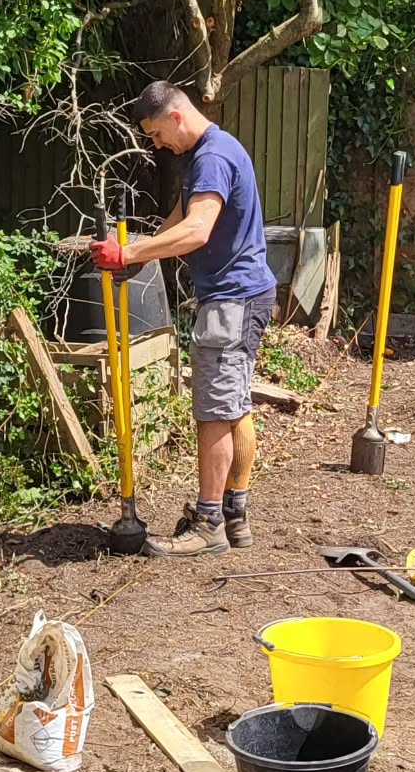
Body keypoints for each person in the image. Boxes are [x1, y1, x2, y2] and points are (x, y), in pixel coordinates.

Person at [90, 80, 276, 558]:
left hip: (232, 302)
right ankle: (234, 514)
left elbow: (196, 230)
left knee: (214, 413)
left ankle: (210, 524)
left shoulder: (212, 157)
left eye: (156, 134)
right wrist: (139, 259)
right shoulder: (205, 154)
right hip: (243, 296)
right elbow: (179, 216)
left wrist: (128, 252)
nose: (156, 145)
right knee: (234, 407)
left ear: (176, 116)